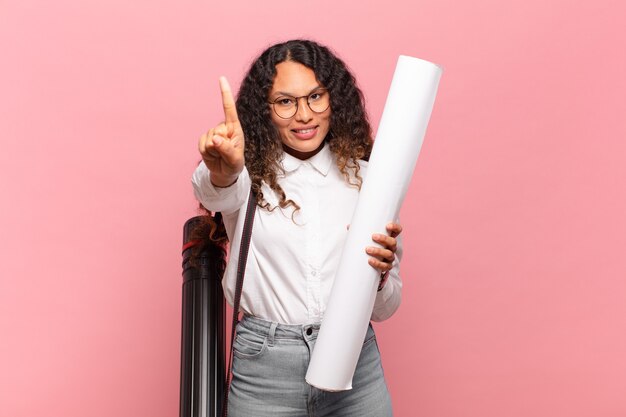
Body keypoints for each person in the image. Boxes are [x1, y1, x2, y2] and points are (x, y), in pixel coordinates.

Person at [192, 39, 403, 417]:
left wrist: (382, 278)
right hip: (265, 368)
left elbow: (386, 309)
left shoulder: (368, 180)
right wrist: (221, 171)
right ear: (265, 110)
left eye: (315, 97)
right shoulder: (245, 175)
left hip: (356, 363)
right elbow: (218, 191)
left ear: (333, 99)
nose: (304, 115)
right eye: (286, 102)